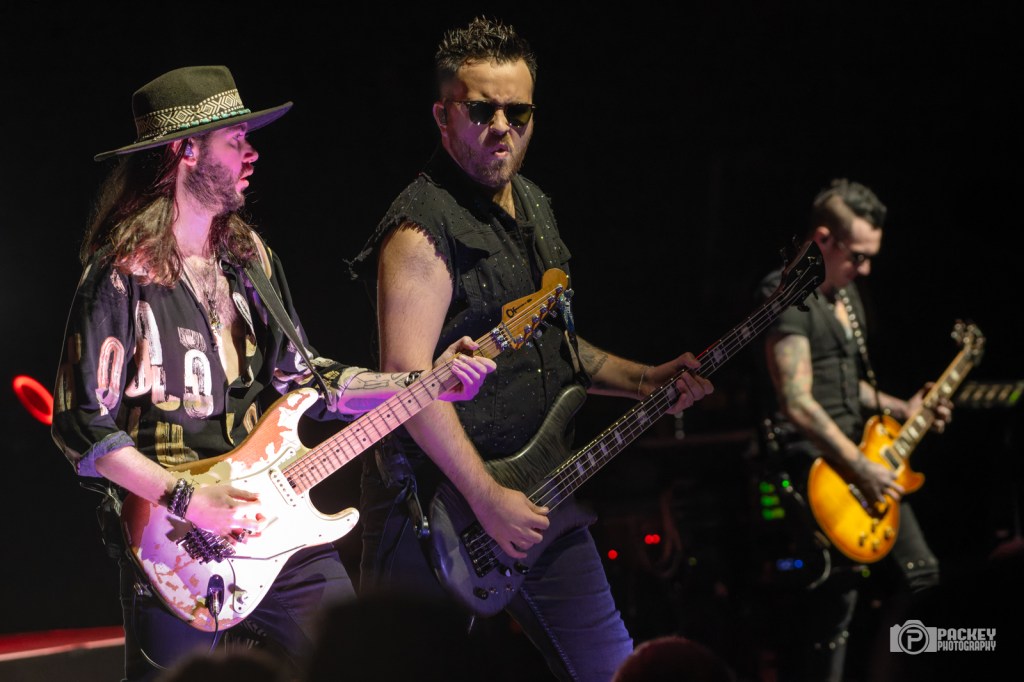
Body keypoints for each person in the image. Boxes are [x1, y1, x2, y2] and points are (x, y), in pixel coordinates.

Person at [51, 64, 495, 682]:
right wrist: (190, 499)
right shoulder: (121, 273)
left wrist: (421, 383)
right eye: (235, 139)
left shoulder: (250, 259)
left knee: (359, 662)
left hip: (275, 521)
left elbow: (307, 381)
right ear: (186, 150)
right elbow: (82, 427)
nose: (251, 152)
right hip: (175, 540)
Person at [348, 17, 714, 682]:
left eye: (517, 112)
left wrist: (646, 380)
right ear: (443, 116)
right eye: (481, 110)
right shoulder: (420, 229)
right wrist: (487, 497)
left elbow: (556, 348)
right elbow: (408, 385)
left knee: (613, 668)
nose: (502, 127)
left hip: (540, 497)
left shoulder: (536, 205)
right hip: (435, 509)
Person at [754, 178, 951, 681]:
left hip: (864, 461)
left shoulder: (845, 295)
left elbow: (844, 380)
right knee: (834, 606)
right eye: (858, 256)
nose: (865, 269)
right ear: (824, 239)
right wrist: (861, 466)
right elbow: (796, 400)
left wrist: (903, 407)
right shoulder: (787, 293)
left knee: (923, 578)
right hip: (819, 466)